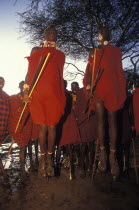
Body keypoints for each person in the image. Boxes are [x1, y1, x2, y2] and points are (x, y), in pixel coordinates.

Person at [83, 26, 127, 178]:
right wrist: (88, 87)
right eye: (102, 31)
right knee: (101, 120)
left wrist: (123, 90)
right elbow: (88, 72)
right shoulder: (93, 52)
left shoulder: (116, 51)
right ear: (98, 36)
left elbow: (119, 71)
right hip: (98, 89)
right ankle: (103, 152)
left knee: (113, 121)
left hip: (113, 88)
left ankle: (113, 155)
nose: (105, 33)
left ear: (110, 35)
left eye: (107, 31)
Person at [24, 25, 66, 177]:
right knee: (42, 127)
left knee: (53, 126)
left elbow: (59, 77)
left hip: (54, 94)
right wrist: (26, 91)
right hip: (38, 94)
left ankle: (50, 157)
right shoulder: (36, 50)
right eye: (48, 31)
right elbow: (29, 73)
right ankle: (42, 159)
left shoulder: (60, 54)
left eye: (54, 31)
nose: (51, 33)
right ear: (43, 34)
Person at [8, 81, 34, 180]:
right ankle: (23, 171)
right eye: (22, 86)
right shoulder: (13, 98)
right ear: (19, 87)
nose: (24, 88)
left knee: (24, 147)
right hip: (16, 126)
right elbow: (11, 113)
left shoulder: (30, 98)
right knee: (22, 147)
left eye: (26, 87)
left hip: (27, 126)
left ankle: (24, 167)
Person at [0, 77, 10, 184]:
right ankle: (4, 174)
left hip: (1, 129)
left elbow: (8, 114)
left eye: (3, 82)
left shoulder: (6, 97)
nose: (1, 83)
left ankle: (4, 174)